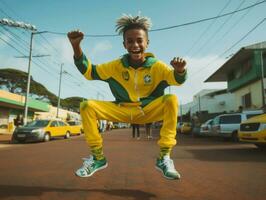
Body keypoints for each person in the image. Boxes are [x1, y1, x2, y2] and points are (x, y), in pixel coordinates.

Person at [68, 14, 187, 180]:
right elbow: (89, 71)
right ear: (124, 44)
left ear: (147, 43)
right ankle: (98, 158)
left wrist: (180, 70)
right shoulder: (115, 66)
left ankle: (164, 157)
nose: (135, 45)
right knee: (86, 105)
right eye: (130, 41)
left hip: (148, 111)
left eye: (139, 40)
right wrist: (76, 46)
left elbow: (176, 80)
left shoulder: (157, 67)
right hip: (121, 110)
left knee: (171, 100)